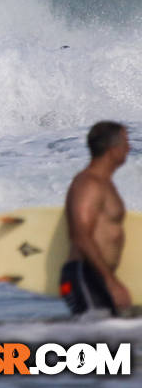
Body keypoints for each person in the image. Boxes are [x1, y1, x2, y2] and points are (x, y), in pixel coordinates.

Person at [60, 120, 131, 316]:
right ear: (112, 149)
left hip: (95, 276)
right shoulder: (89, 184)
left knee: (111, 339)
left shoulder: (103, 183)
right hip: (84, 275)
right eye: (125, 142)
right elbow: (80, 235)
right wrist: (111, 282)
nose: (129, 147)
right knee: (100, 336)